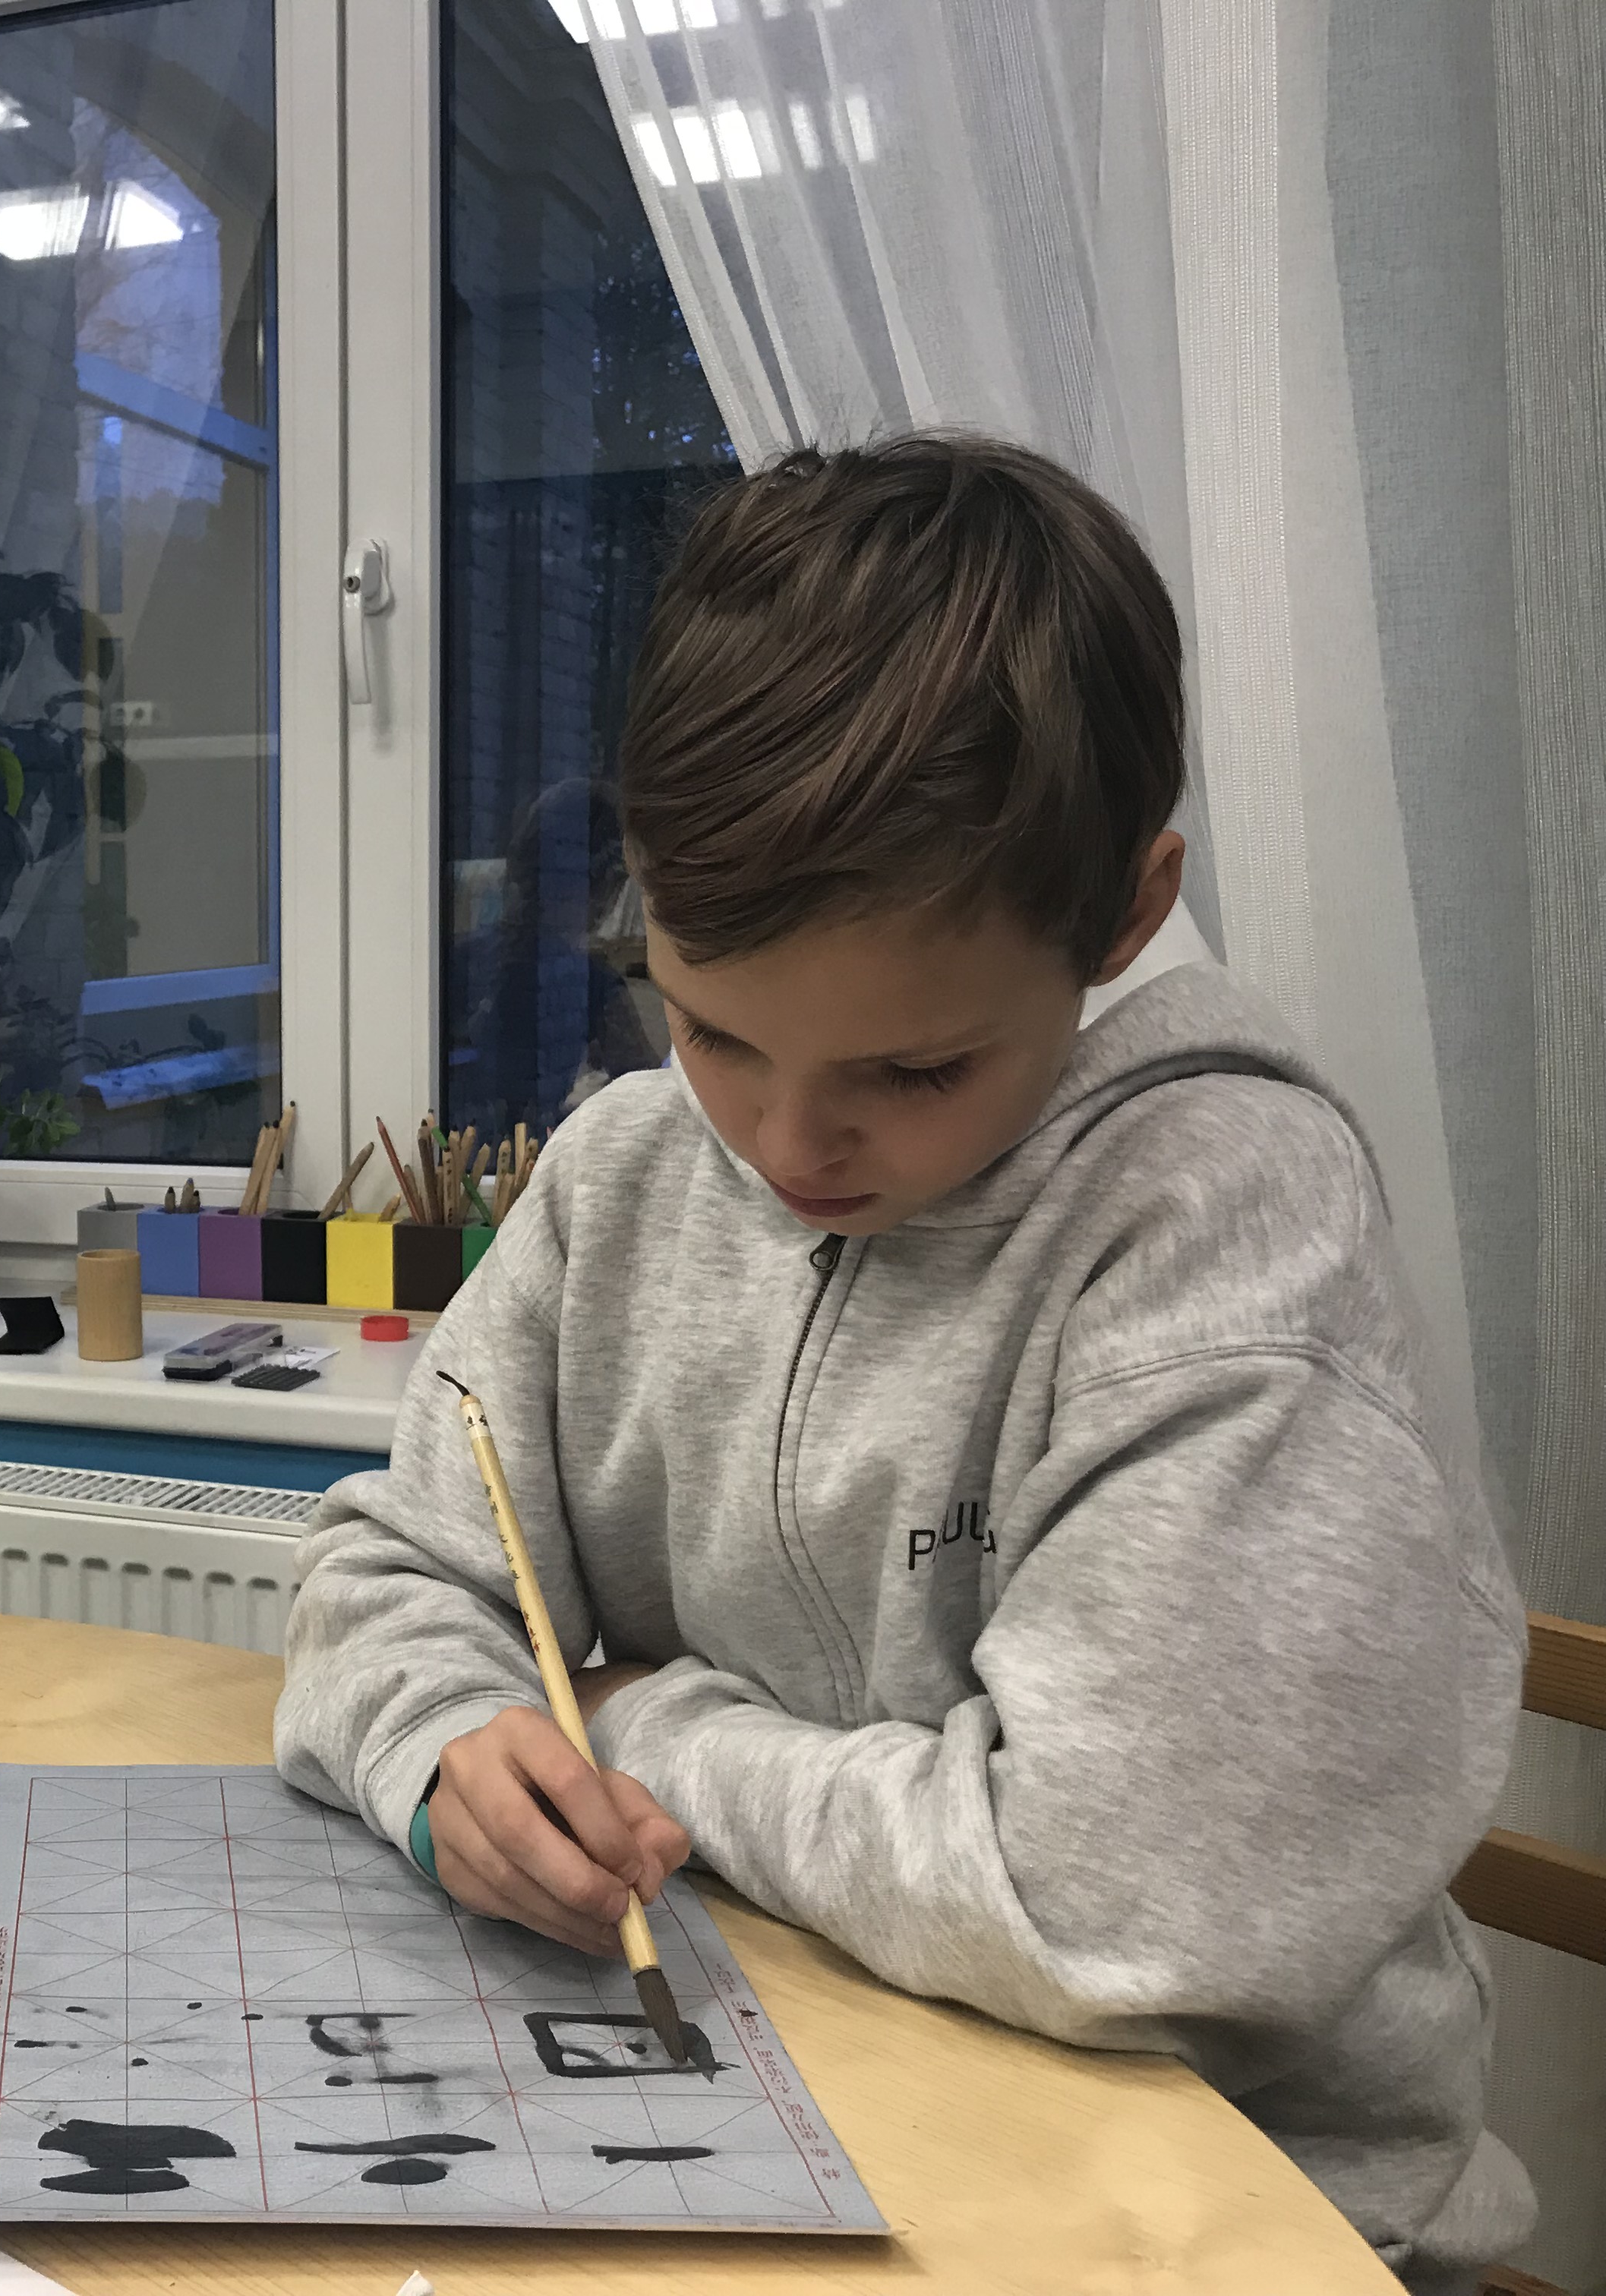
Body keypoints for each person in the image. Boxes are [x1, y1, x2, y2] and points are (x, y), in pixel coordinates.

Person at [275, 436, 1531, 2289]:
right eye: (711, 1029)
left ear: (1125, 912)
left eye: (915, 1069)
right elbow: (385, 1571)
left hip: (1230, 2225)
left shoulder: (1221, 1227)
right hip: (773, 2131)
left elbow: (1114, 1909)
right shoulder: (623, 1176)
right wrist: (448, 1742)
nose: (786, 1146)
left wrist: (646, 1725)